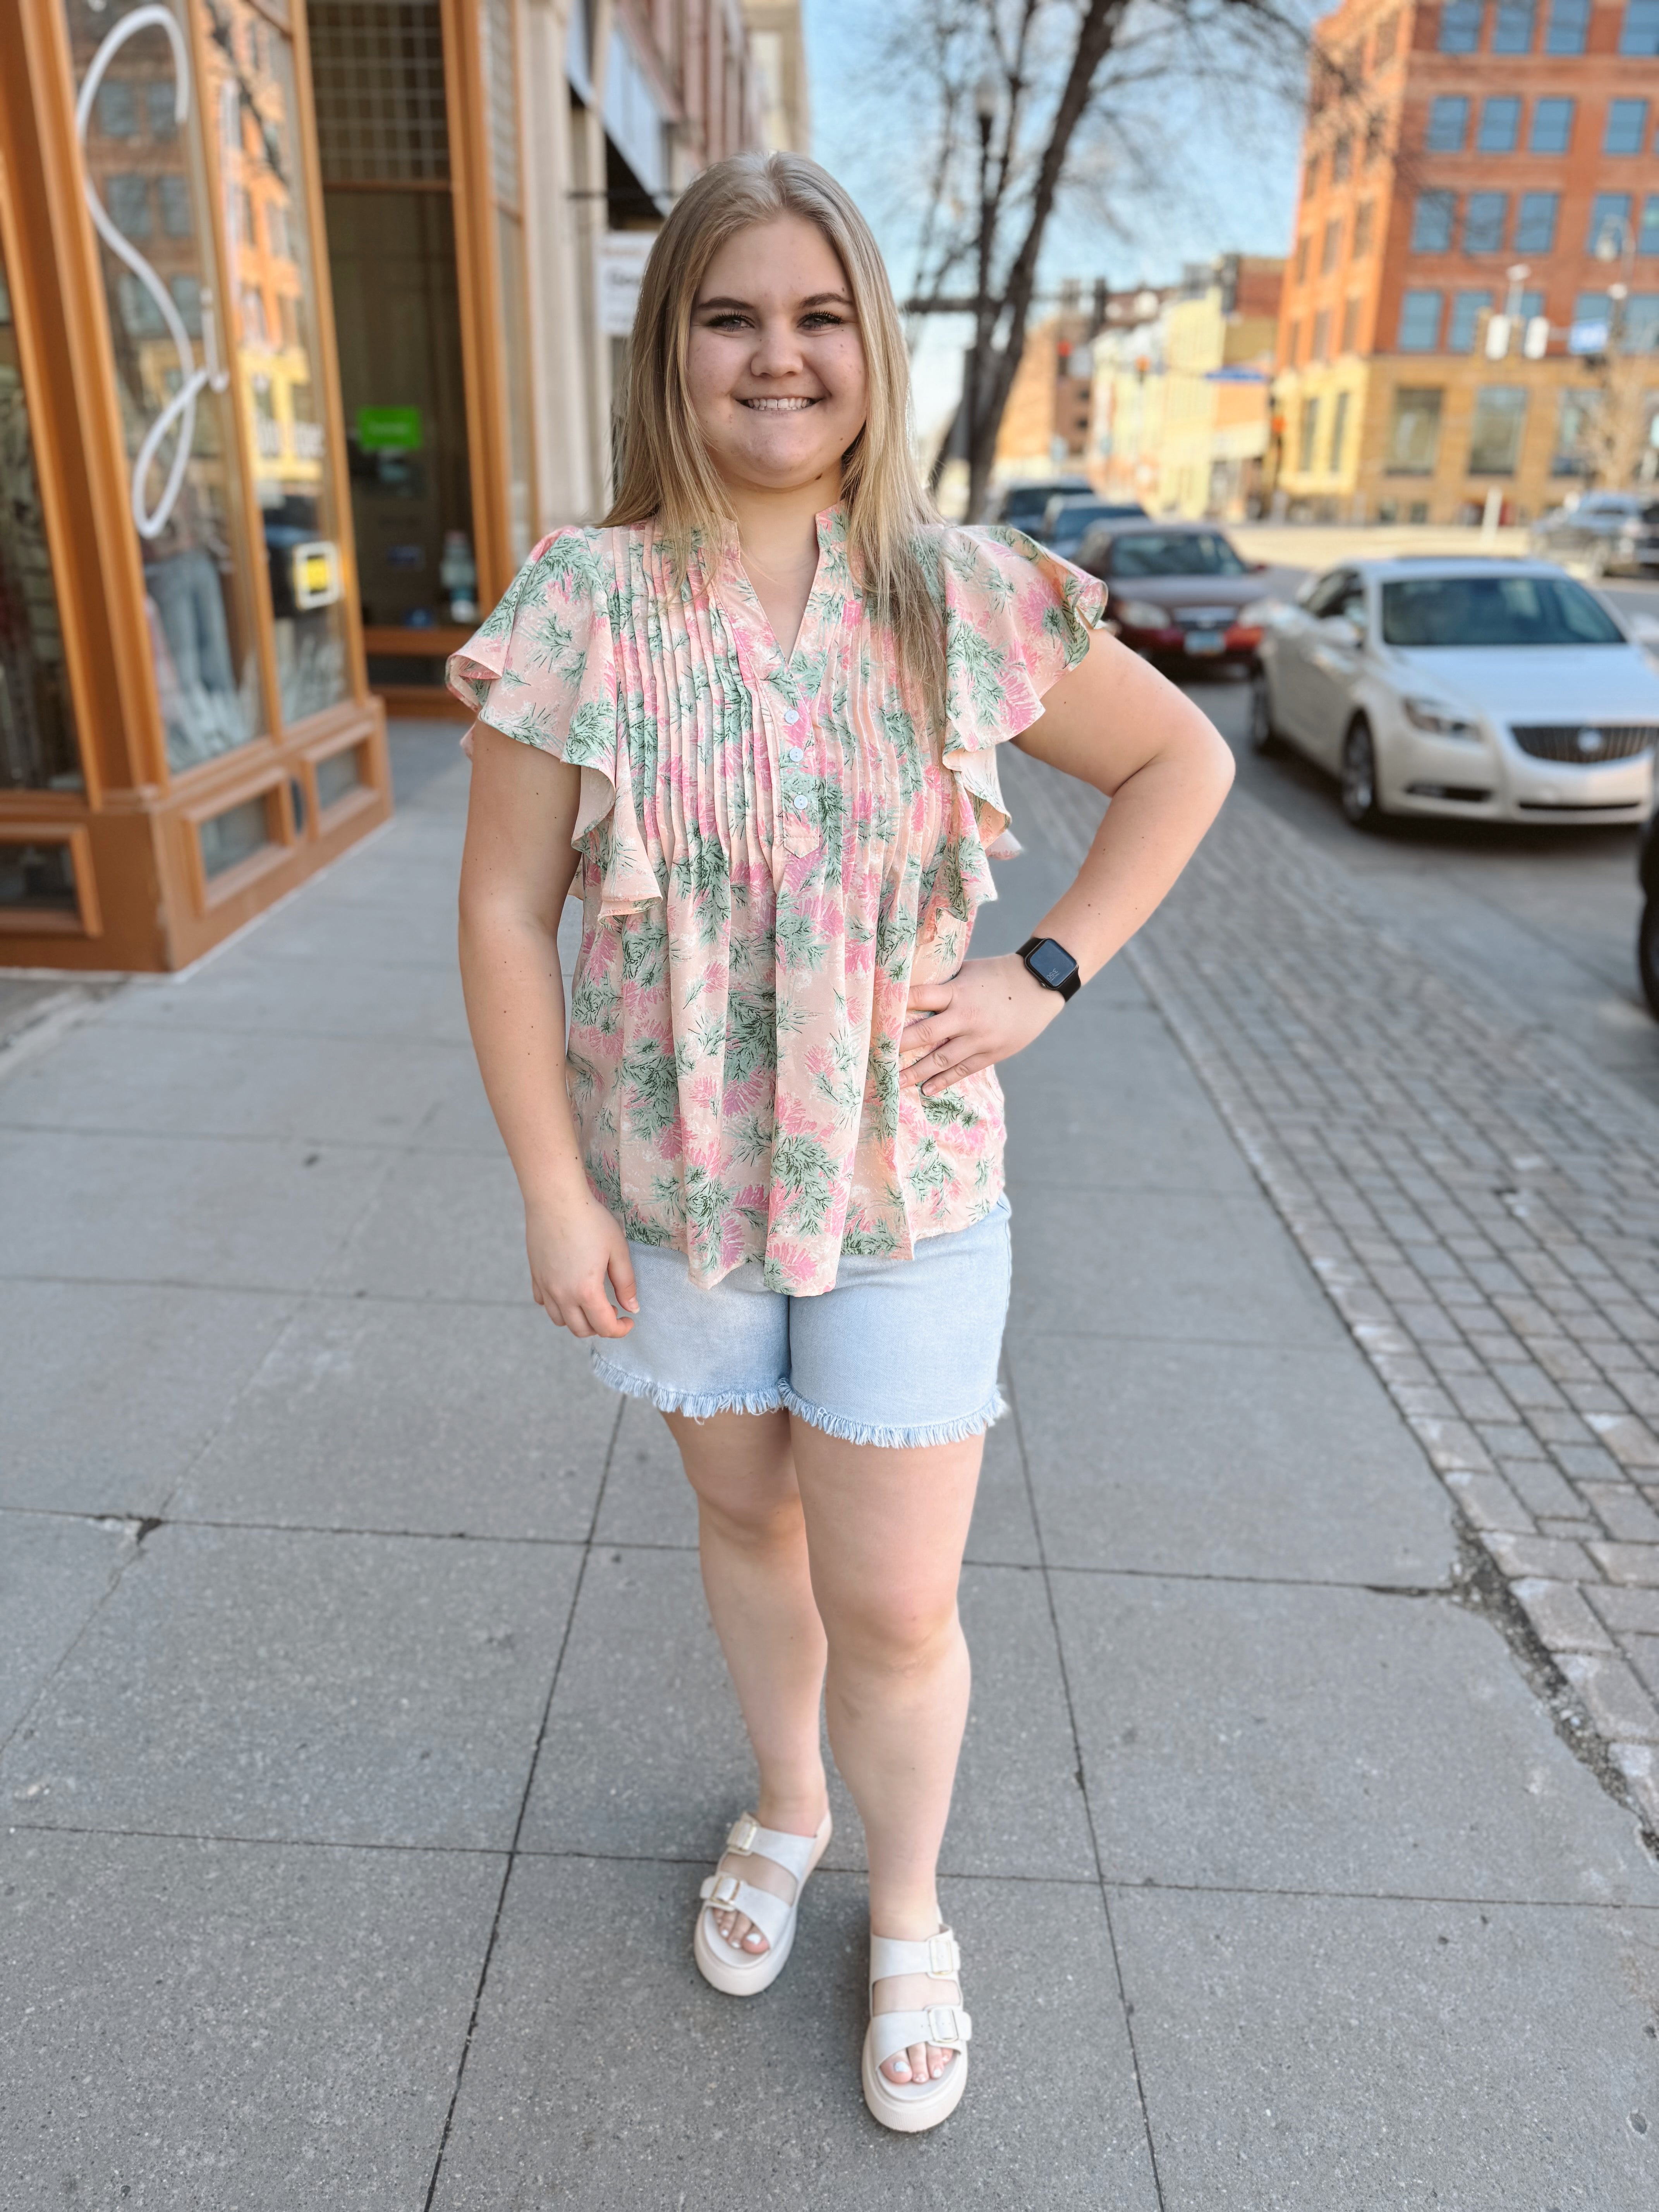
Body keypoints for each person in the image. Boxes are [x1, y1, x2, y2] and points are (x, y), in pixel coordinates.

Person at [453, 151, 1233, 2133]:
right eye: (731, 315)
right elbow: (497, 908)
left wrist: (1045, 971)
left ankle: (909, 1912)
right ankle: (785, 1807)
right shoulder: (587, 602)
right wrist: (552, 1185)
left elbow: (1181, 759)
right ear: (673, 347)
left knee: (897, 1598)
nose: (776, 356)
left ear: (872, 350)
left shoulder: (959, 595)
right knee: (744, 1523)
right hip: (679, 1190)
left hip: (907, 1188)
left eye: (817, 317)